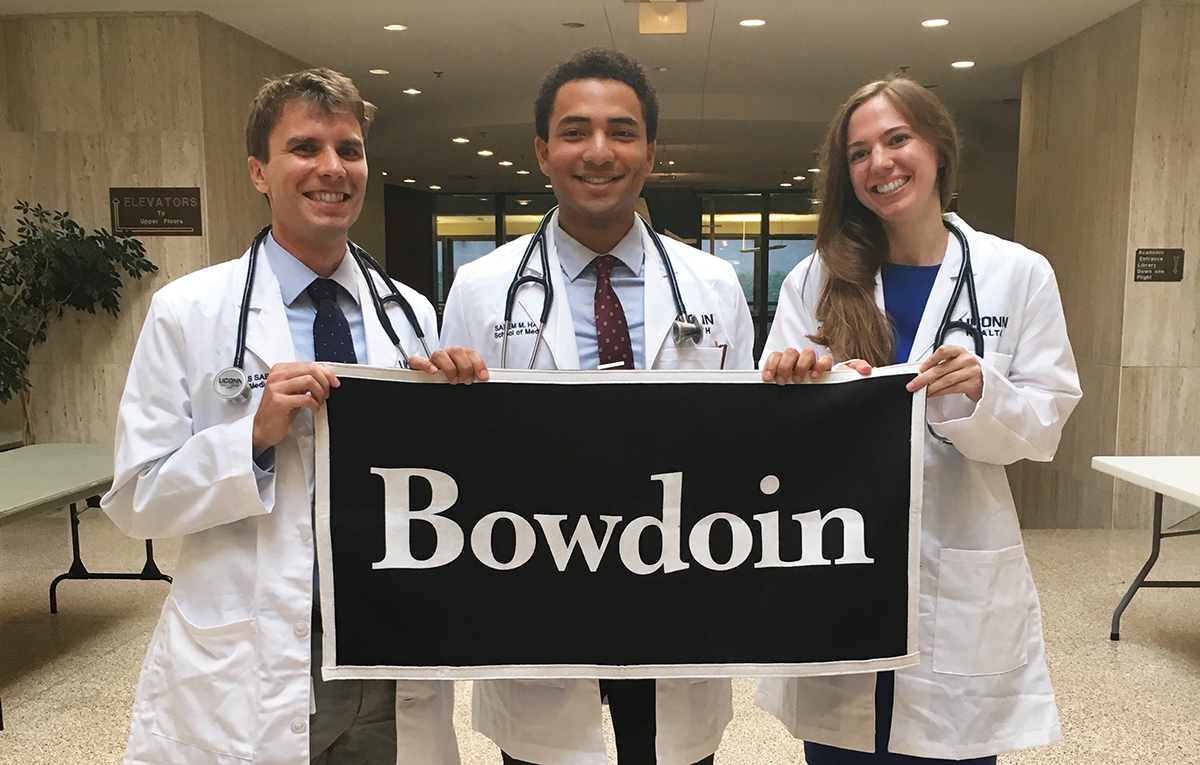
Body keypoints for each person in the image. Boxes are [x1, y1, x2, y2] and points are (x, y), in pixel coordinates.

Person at [102, 68, 485, 765]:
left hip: (387, 639)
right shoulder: (188, 312)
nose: (332, 169)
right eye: (305, 147)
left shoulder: (409, 314)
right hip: (259, 643)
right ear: (259, 169)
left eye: (350, 148)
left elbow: (442, 489)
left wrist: (459, 409)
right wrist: (249, 437)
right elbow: (136, 500)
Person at [755, 76, 1081, 763]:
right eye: (859, 152)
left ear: (938, 149)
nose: (880, 163)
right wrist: (795, 388)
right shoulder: (813, 279)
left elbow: (1046, 422)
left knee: (948, 744)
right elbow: (775, 433)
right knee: (843, 744)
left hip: (956, 567)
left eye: (897, 139)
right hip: (840, 563)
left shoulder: (1017, 274)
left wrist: (978, 390)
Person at [440, 48, 752, 765]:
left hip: (677, 579)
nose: (599, 151)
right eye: (576, 132)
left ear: (651, 151)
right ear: (543, 152)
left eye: (623, 131)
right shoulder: (481, 290)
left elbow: (743, 447)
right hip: (538, 586)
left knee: (675, 752)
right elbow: (454, 456)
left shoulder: (714, 285)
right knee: (549, 749)